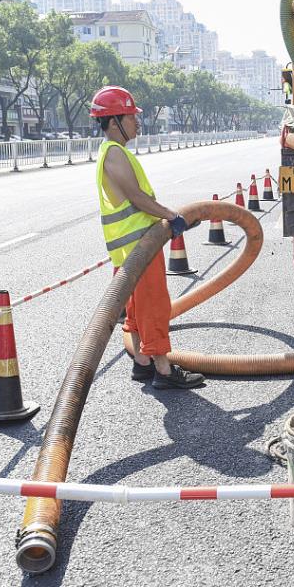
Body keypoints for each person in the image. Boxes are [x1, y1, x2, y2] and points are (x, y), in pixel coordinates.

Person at [90, 85, 204, 389]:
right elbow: (136, 197)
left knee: (138, 307)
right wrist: (171, 215)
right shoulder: (114, 154)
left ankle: (142, 362)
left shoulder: (114, 152)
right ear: (114, 122)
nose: (137, 122)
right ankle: (164, 369)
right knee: (153, 305)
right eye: (130, 117)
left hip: (128, 249)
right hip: (139, 246)